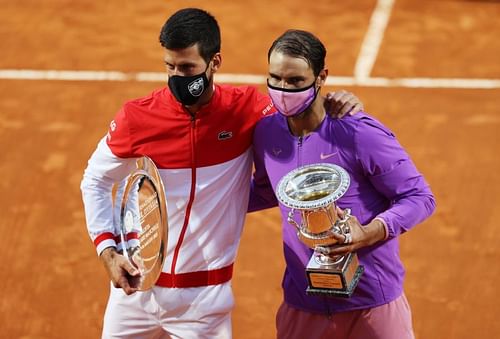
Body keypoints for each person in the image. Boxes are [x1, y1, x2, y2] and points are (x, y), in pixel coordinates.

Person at [80, 8, 364, 339]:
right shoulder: (137, 117)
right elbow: (96, 180)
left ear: (214, 63)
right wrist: (107, 250)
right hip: (134, 293)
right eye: (169, 67)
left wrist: (336, 103)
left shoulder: (246, 109)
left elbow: (301, 120)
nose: (177, 78)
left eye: (187, 68)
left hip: (203, 304)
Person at [249, 29, 436, 339]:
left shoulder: (359, 132)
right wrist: (201, 200)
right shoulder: (266, 134)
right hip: (303, 303)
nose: (282, 90)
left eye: (295, 81)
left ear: (321, 77)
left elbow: (419, 197)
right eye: (275, 78)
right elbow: (269, 190)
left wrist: (369, 233)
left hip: (371, 304)